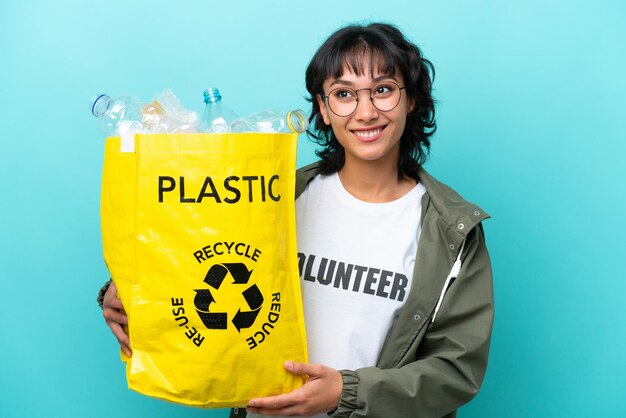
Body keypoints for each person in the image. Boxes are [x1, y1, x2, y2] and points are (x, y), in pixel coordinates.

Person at [99, 22, 494, 418]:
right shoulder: (275, 195)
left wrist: (347, 392)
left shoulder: (452, 231)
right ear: (323, 108)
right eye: (343, 94)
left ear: (411, 100)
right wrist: (127, 293)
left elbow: (455, 371)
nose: (366, 111)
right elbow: (196, 254)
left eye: (384, 89)